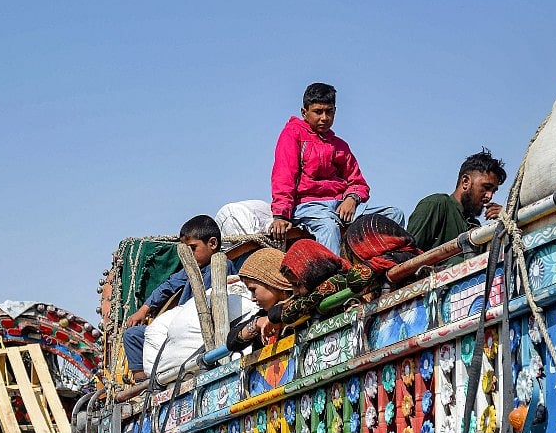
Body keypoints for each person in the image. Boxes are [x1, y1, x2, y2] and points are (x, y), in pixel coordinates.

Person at [268, 83, 405, 252]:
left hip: (341, 206)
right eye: (318, 112)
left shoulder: (340, 145)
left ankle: (389, 268)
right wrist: (281, 215)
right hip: (309, 207)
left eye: (329, 111)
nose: (324, 117)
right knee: (329, 228)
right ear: (304, 113)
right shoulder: (292, 134)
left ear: (335, 111)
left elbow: (358, 183)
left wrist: (351, 199)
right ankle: (334, 277)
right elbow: (284, 175)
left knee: (394, 215)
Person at [121, 215, 243, 381]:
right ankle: (142, 386)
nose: (188, 255)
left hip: (200, 330)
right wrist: (143, 310)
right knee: (133, 335)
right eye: (184, 251)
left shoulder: (221, 265)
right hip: (177, 328)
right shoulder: (189, 270)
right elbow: (168, 286)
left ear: (212, 244)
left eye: (192, 248)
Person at [407, 149, 507, 260]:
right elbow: (407, 258)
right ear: (465, 181)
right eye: (486, 187)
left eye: (493, 191)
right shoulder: (436, 205)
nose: (489, 196)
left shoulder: (474, 225)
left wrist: (506, 219)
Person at [226, 248, 292, 353]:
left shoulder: (303, 303)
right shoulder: (262, 315)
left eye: (253, 290)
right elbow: (231, 342)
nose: (252, 298)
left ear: (271, 281)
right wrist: (257, 324)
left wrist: (273, 318)